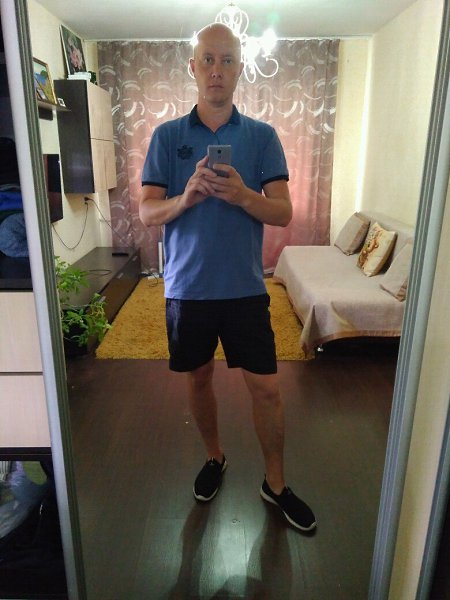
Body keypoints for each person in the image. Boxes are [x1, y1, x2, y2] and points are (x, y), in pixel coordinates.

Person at [139, 22, 316, 532]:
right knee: (198, 378)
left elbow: (282, 212)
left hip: (244, 289)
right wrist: (186, 198)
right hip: (188, 290)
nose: (217, 70)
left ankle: (275, 483)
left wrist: (241, 195)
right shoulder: (167, 137)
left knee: (267, 390)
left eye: (227, 60)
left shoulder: (262, 136)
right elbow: (148, 212)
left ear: (240, 69)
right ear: (193, 67)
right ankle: (215, 457)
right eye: (208, 60)